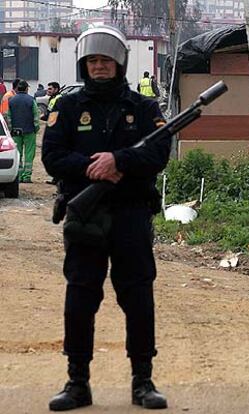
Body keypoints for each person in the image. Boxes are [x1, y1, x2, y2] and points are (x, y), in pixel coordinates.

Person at [42, 25, 170, 411]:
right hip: (86, 215)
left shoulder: (143, 108)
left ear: (119, 63)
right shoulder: (65, 107)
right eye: (93, 61)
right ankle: (77, 382)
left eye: (106, 61)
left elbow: (158, 156)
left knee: (138, 296)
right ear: (85, 64)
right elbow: (52, 156)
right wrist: (91, 168)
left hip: (131, 214)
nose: (99, 67)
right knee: (80, 297)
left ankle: (143, 381)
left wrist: (120, 160)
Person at [7, 80, 40, 183]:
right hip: (29, 130)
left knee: (18, 153)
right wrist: (36, 127)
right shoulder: (31, 100)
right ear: (26, 89)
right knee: (29, 153)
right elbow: (36, 115)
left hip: (16, 131)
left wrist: (11, 128)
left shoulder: (11, 100)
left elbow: (8, 117)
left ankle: (19, 175)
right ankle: (26, 176)